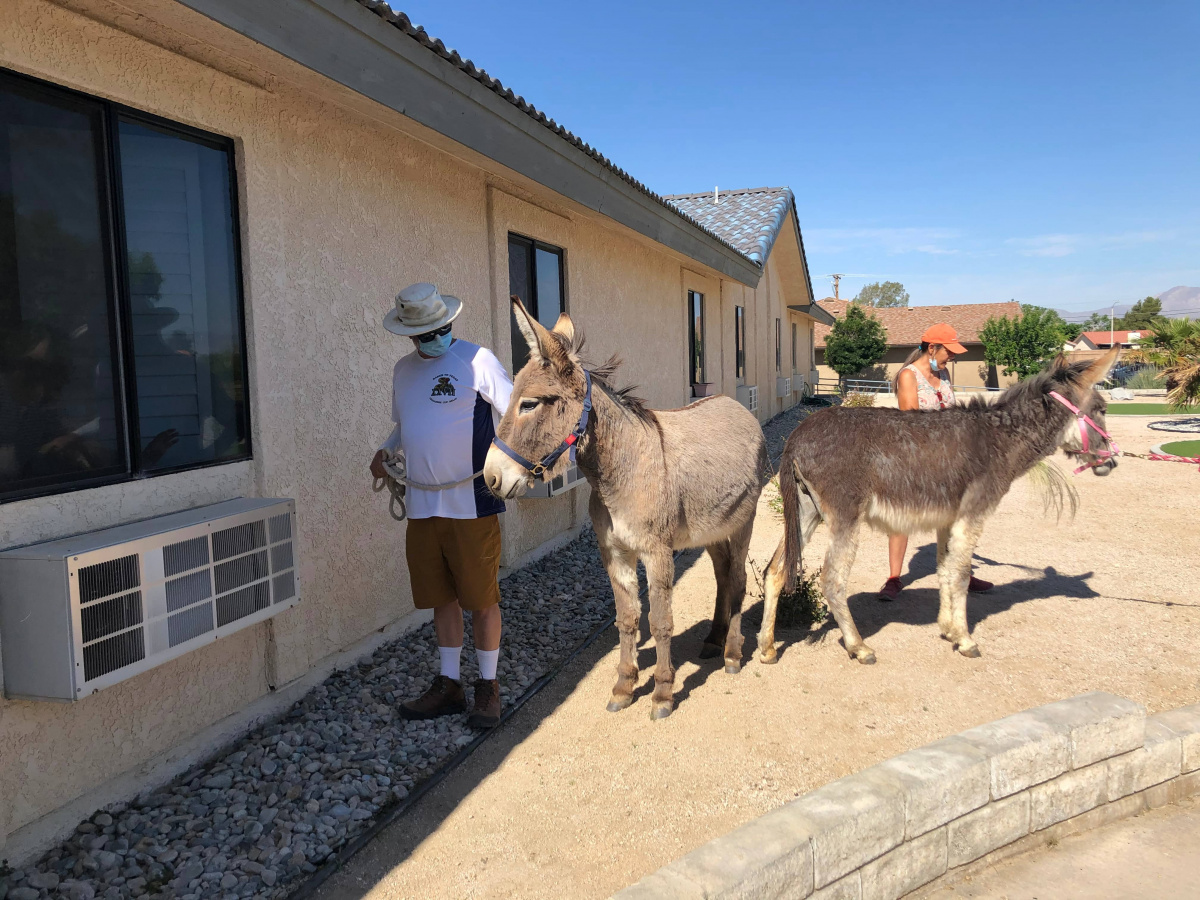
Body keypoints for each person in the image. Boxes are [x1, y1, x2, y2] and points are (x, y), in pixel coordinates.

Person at [369, 283, 513, 728]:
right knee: (441, 597)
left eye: (443, 328)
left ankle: (487, 687)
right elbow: (405, 426)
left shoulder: (478, 360)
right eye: (427, 332)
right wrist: (385, 451)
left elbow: (514, 415)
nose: (437, 336)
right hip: (422, 505)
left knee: (482, 598)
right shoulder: (402, 371)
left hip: (472, 501)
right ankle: (448, 683)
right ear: (410, 336)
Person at [877, 323, 994, 602]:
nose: (952, 357)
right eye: (948, 351)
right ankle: (894, 579)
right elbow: (911, 424)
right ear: (932, 348)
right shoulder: (908, 376)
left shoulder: (943, 373)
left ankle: (962, 572)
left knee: (957, 517)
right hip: (915, 458)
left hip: (949, 459)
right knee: (902, 519)